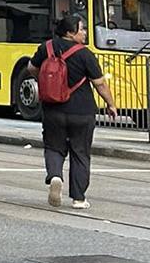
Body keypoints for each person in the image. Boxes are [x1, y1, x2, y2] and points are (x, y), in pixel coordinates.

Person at [27, 15, 118, 210]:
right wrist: (110, 104)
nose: (84, 33)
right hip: (82, 111)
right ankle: (78, 198)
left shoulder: (47, 48)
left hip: (53, 110)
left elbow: (31, 69)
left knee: (53, 147)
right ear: (70, 33)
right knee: (80, 153)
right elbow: (100, 83)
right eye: (82, 29)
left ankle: (55, 176)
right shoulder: (85, 54)